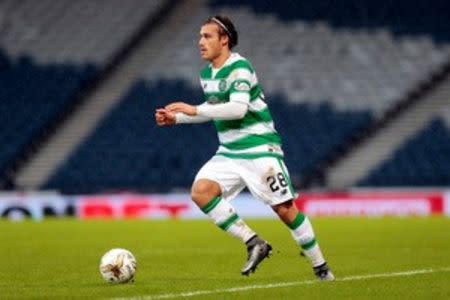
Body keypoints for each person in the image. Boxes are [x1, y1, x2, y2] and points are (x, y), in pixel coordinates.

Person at [155, 15, 334, 280]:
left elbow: (237, 109)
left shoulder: (240, 67)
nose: (200, 42)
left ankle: (321, 268)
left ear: (224, 39)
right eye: (199, 37)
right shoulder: (207, 74)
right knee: (201, 192)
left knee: (285, 210)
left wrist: (192, 108)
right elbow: (216, 111)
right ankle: (254, 242)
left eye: (207, 36)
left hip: (260, 148)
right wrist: (178, 118)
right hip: (229, 152)